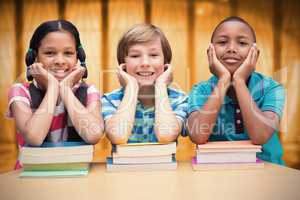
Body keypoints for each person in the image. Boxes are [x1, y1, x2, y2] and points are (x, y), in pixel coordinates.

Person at [187, 16, 285, 164]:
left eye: (242, 43)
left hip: (268, 172)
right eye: (222, 42)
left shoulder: (272, 88)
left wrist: (239, 81)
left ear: (255, 53)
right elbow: (198, 136)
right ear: (210, 52)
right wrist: (223, 80)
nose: (231, 48)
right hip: (217, 172)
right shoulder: (201, 91)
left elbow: (260, 135)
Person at [7, 20, 104, 169]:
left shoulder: (89, 91)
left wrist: (65, 89)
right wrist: (53, 87)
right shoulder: (20, 91)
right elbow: (34, 137)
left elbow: (93, 135)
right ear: (35, 56)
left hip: (77, 173)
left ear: (78, 57)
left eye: (68, 53)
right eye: (50, 53)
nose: (60, 61)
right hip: (31, 176)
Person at [102, 23, 187, 144]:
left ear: (165, 64)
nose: (145, 63)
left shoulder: (179, 100)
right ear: (123, 65)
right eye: (135, 55)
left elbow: (166, 135)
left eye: (153, 55)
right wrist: (131, 87)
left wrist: (161, 86)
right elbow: (118, 136)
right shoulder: (109, 100)